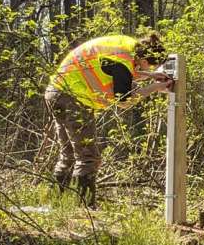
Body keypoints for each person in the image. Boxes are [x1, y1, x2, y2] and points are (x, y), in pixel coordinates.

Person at [45, 32, 174, 206]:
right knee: (88, 157)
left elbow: (114, 70)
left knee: (68, 154)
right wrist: (155, 87)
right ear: (144, 60)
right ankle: (85, 209)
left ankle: (56, 204)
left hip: (56, 91)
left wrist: (149, 77)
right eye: (151, 67)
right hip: (73, 98)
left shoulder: (127, 47)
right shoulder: (123, 63)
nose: (150, 69)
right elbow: (124, 101)